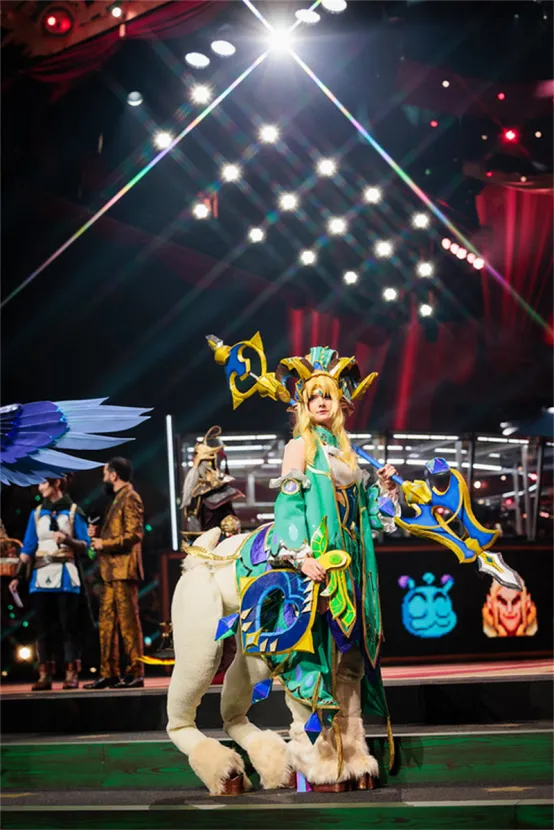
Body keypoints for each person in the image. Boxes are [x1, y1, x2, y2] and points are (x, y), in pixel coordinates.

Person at [265, 347, 399, 789]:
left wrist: (385, 490)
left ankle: (355, 753)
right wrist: (302, 555)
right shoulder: (298, 447)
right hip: (318, 569)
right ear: (303, 405)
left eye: (328, 395)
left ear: (340, 402)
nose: (321, 402)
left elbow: (371, 520)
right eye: (313, 396)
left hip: (354, 572)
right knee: (321, 662)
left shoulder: (348, 456)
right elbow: (288, 506)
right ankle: (320, 758)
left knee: (352, 665)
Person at [9, 477, 91, 690]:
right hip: (41, 576)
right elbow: (28, 548)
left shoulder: (73, 512)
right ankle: (44, 674)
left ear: (56, 483)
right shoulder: (37, 514)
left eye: (43, 483)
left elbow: (86, 545)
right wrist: (17, 576)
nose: (40, 487)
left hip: (66, 575)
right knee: (43, 628)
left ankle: (71, 673)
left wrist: (67, 540)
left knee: (68, 626)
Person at [84, 457, 145, 690]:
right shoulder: (117, 498)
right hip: (110, 571)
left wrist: (104, 543)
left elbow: (134, 534)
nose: (104, 479)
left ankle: (135, 671)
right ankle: (108, 672)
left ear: (114, 475)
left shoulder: (130, 497)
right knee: (107, 624)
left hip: (124, 570)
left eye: (105, 474)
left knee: (128, 624)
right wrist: (98, 533)